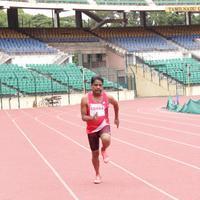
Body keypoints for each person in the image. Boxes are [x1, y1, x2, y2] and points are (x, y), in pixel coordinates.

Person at [81, 75, 119, 184]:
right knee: (94, 154)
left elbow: (116, 104)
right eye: (96, 85)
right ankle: (97, 174)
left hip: (103, 124)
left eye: (100, 85)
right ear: (91, 86)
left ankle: (104, 149)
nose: (98, 87)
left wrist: (116, 118)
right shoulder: (85, 99)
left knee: (106, 139)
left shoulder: (108, 97)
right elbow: (83, 117)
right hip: (91, 129)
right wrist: (91, 118)